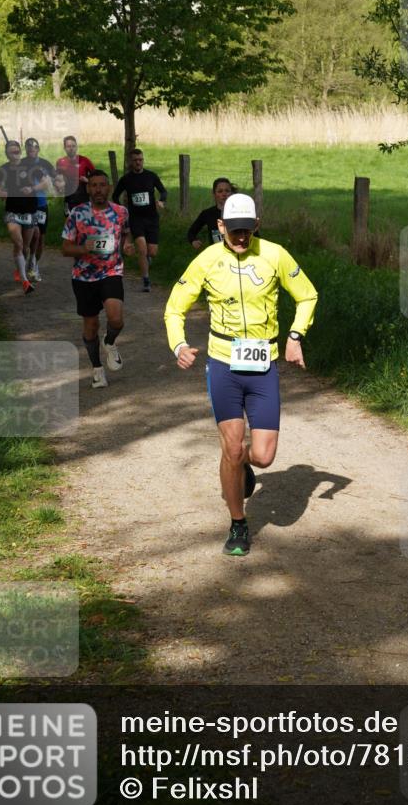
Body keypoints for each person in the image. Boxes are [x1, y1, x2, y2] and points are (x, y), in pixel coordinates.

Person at [165, 193, 318, 556]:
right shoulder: (206, 260)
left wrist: (295, 335)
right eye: (233, 231)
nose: (240, 238)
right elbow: (175, 308)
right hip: (223, 364)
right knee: (232, 448)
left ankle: (241, 465)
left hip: (263, 365)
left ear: (256, 226)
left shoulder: (274, 255)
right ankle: (238, 523)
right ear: (220, 227)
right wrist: (179, 346)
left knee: (262, 456)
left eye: (247, 231)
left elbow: (307, 295)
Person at [61, 169, 133, 389]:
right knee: (91, 325)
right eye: (94, 185)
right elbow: (65, 249)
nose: (98, 189)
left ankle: (109, 342)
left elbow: (126, 233)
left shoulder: (121, 212)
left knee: (116, 319)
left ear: (109, 187)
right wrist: (83, 248)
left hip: (111, 272)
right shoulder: (77, 214)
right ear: (88, 188)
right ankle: (97, 369)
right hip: (83, 277)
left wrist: (127, 245)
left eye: (102, 185)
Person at [0, 140, 46, 294]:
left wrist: (32, 188)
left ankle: (20, 269)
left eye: (17, 151)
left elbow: (45, 183)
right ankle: (25, 281)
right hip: (12, 211)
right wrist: (0, 193)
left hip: (29, 211)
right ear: (7, 153)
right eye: (11, 151)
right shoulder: (3, 169)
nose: (15, 153)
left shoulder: (31, 166)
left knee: (26, 248)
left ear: (20, 151)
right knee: (19, 243)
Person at [112, 148, 167, 291]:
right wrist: (121, 210)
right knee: (142, 249)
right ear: (130, 162)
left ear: (143, 160)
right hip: (136, 218)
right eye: (135, 160)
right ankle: (146, 280)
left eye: (140, 160)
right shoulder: (126, 179)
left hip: (152, 218)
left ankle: (146, 261)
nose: (138, 162)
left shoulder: (151, 176)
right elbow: (115, 196)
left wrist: (161, 201)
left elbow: (163, 191)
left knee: (152, 251)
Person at [21, 137, 54, 282]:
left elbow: (52, 181)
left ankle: (33, 264)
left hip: (41, 205)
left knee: (40, 238)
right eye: (28, 147)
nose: (31, 150)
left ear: (38, 149)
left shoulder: (45, 164)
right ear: (26, 149)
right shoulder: (20, 163)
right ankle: (23, 263)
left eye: (34, 147)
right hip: (26, 205)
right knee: (28, 238)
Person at [187, 177, 233, 249]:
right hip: (216, 255)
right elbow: (191, 232)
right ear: (214, 194)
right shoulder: (207, 214)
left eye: (227, 191)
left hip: (236, 254)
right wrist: (193, 241)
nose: (224, 194)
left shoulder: (240, 212)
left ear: (231, 193)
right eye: (220, 191)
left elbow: (254, 234)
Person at [56, 135, 95, 215]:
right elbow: (57, 180)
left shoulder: (84, 160)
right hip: (68, 200)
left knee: (85, 224)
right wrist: (59, 186)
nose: (71, 148)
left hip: (83, 198)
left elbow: (97, 177)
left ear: (76, 147)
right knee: (70, 223)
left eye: (73, 146)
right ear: (64, 148)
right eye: (68, 146)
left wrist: (87, 180)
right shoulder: (60, 162)